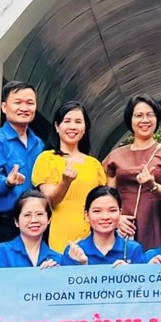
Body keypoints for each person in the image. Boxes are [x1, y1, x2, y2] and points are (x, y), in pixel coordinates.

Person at [104, 94, 161, 249]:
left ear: (157, 119)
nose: (145, 120)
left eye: (150, 115)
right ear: (130, 120)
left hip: (156, 224)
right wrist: (117, 218)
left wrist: (152, 186)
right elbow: (107, 196)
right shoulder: (115, 156)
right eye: (139, 115)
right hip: (123, 226)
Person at [33, 101, 107, 252]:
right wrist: (65, 182)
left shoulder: (94, 165)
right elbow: (50, 201)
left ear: (85, 128)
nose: (72, 126)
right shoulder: (47, 159)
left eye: (78, 122)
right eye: (67, 121)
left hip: (93, 235)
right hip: (59, 234)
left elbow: (103, 202)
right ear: (57, 126)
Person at [0, 80, 45, 255]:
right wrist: (8, 182)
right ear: (4, 107)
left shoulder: (38, 144)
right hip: (3, 225)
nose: (24, 108)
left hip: (33, 225)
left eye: (30, 103)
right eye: (17, 102)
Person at [61, 186, 145, 265]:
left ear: (120, 213)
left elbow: (142, 275)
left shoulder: (133, 249)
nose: (105, 217)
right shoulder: (74, 251)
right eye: (97, 211)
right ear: (86, 216)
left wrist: (128, 272)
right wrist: (82, 265)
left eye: (112, 210)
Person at [0, 189, 62, 268]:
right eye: (27, 215)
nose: (34, 220)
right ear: (16, 221)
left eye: (39, 214)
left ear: (49, 219)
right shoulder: (1, 252)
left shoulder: (57, 259)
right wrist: (41, 274)